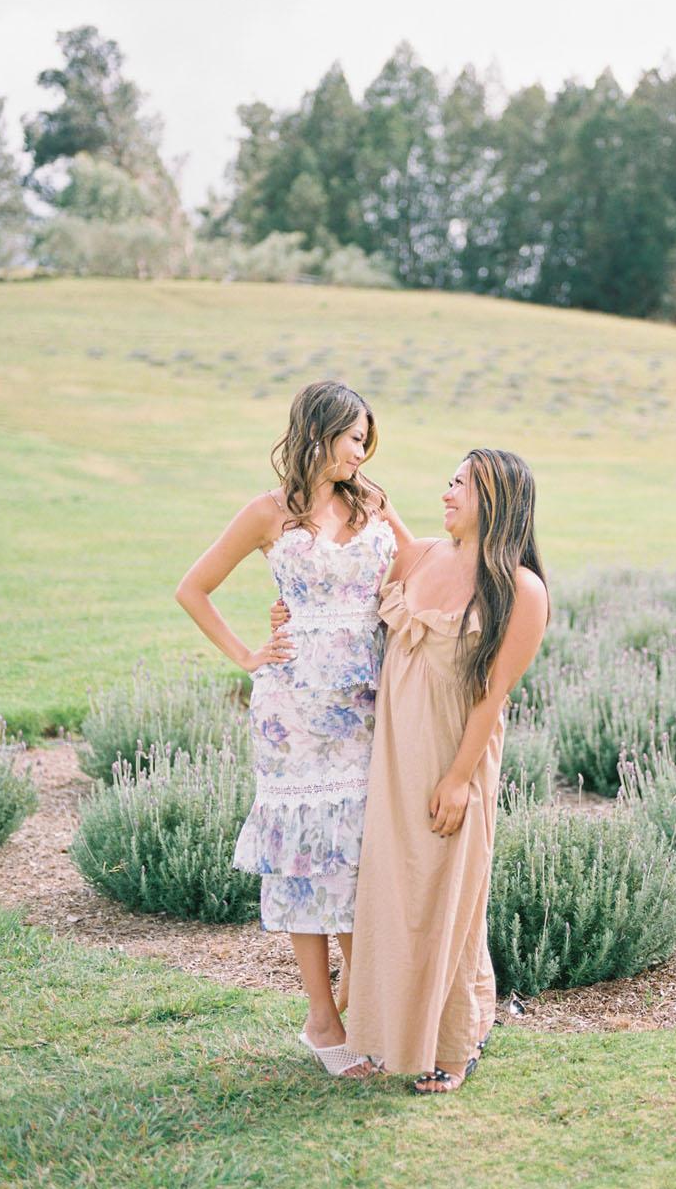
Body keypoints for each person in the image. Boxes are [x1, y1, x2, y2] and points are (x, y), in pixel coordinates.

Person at [175, 380, 405, 1078]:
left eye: (367, 441)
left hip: (365, 707)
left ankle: (370, 1012)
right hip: (293, 713)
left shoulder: (374, 503)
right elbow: (193, 587)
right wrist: (250, 655)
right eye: (353, 438)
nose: (361, 453)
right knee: (308, 864)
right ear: (318, 431)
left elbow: (415, 564)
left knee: (359, 865)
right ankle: (324, 1020)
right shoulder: (266, 513)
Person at [343, 448, 548, 1093]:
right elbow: (366, 554)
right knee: (395, 889)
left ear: (497, 497)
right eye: (451, 480)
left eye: (461, 482)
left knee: (449, 897)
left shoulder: (520, 588)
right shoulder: (424, 555)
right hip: (395, 754)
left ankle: (453, 1047)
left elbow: (494, 694)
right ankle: (391, 1035)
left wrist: (460, 778)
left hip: (454, 757)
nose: (448, 491)